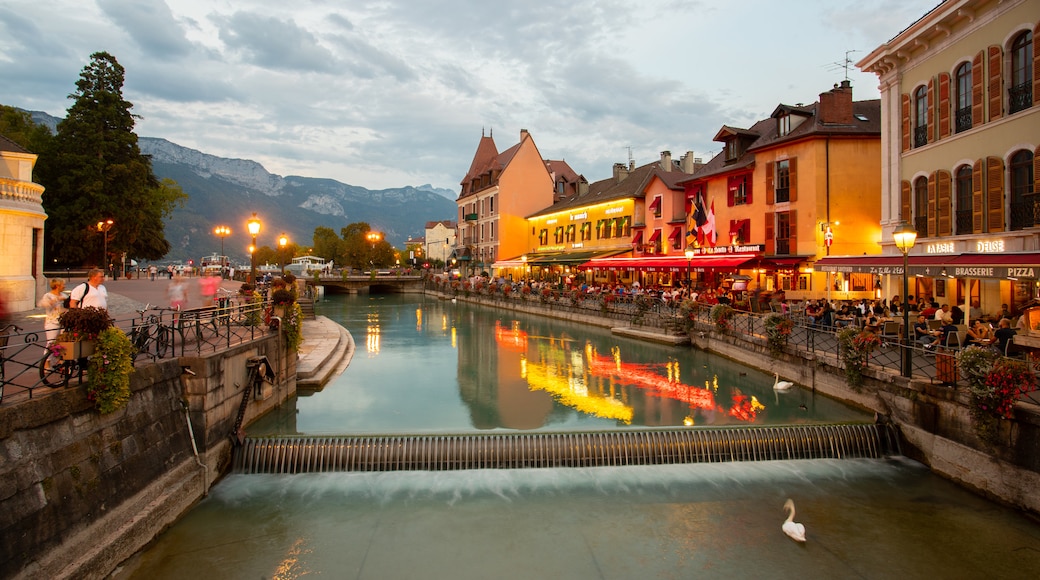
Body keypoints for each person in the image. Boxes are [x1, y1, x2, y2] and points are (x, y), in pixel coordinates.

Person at [37, 278, 66, 346]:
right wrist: (56, 299)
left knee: (63, 342)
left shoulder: (64, 295)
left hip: (63, 322)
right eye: (63, 284)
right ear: (57, 286)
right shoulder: (48, 295)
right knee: (51, 343)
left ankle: (60, 356)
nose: (64, 286)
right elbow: (43, 304)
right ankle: (49, 356)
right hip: (52, 322)